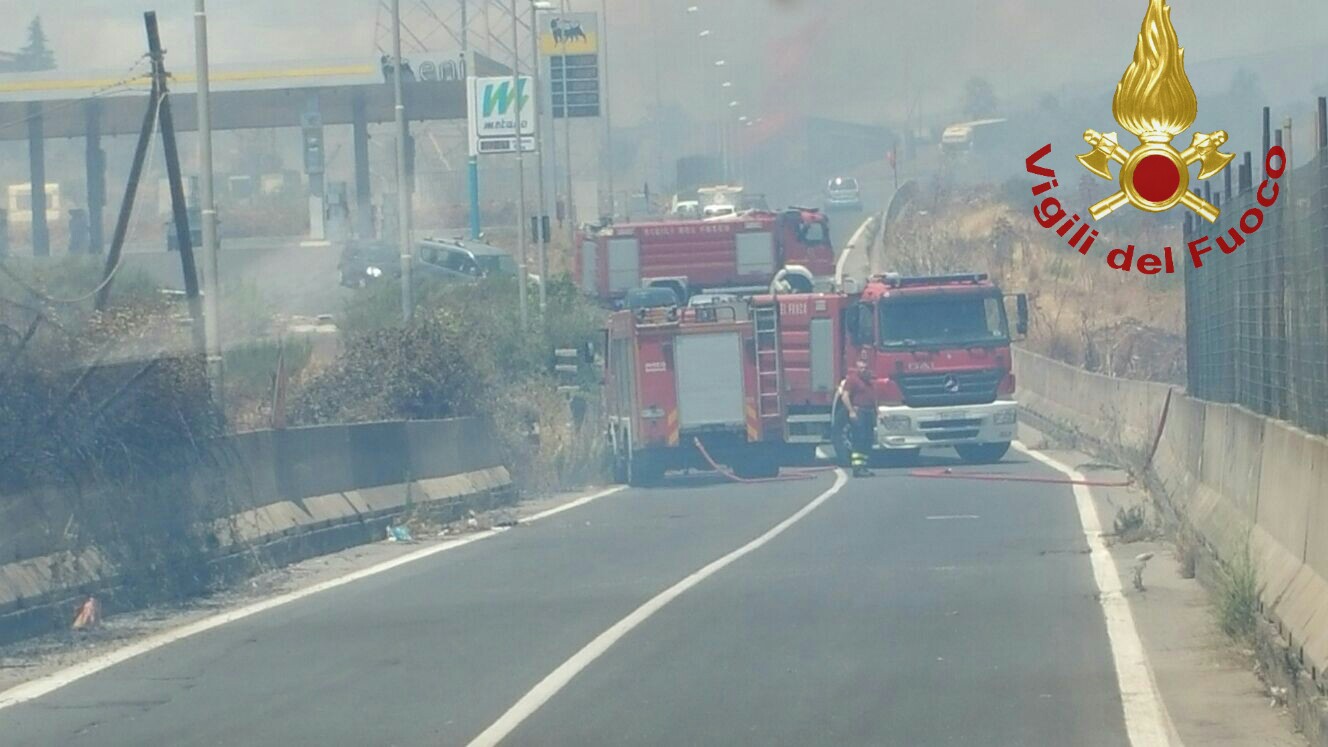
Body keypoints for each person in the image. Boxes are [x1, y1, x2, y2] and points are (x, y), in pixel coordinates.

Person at [839, 359, 877, 477]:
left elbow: (873, 398)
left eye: (865, 368)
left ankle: (863, 466)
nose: (863, 370)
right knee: (859, 440)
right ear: (857, 368)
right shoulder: (852, 380)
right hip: (859, 411)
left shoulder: (869, 381)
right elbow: (845, 396)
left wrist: (878, 412)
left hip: (869, 412)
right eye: (861, 368)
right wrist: (851, 411)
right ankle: (857, 468)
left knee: (868, 440)